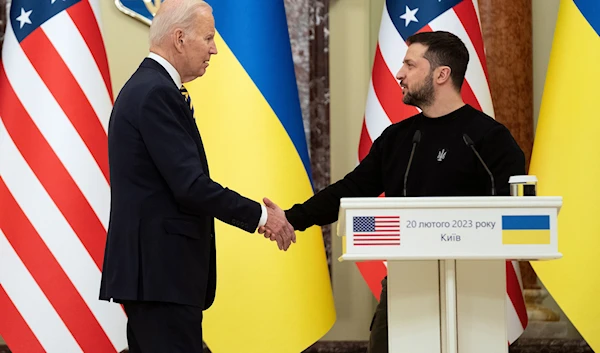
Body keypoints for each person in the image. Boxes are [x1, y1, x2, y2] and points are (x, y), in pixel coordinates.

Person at [262, 31, 526, 352]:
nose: (399, 73)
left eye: (410, 65)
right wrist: (290, 218)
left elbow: (516, 215)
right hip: (404, 284)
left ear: (442, 74)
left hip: (475, 291)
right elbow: (353, 190)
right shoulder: (398, 138)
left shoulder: (489, 138)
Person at [99, 1, 295, 352]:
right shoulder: (156, 93)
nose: (214, 49)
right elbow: (190, 186)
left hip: (157, 277)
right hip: (162, 276)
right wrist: (262, 216)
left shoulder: (149, 87)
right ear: (179, 39)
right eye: (208, 38)